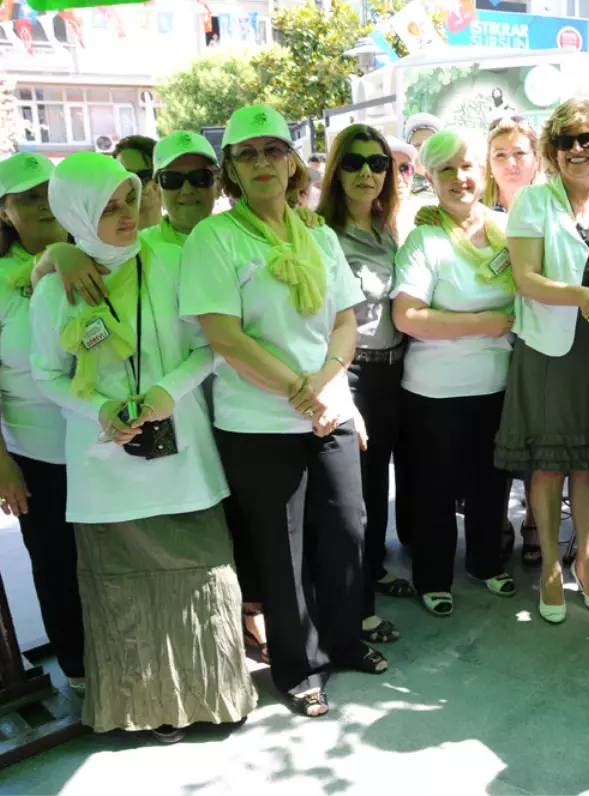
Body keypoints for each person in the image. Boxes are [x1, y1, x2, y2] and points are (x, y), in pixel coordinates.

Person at [30, 152, 256, 741]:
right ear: (76, 215)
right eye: (106, 208)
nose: (126, 215)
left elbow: (207, 347)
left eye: (128, 199)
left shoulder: (174, 262)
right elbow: (45, 374)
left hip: (181, 451)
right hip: (105, 463)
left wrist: (163, 392)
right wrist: (99, 408)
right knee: (123, 586)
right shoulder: (53, 292)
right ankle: (146, 706)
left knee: (202, 574)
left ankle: (214, 696)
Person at [179, 104, 386, 718]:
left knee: (349, 529)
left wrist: (325, 386)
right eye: (248, 155)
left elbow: (346, 320)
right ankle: (298, 668)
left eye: (274, 151)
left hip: (329, 410)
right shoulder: (215, 238)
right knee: (282, 549)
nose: (263, 163)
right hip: (260, 422)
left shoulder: (317, 234)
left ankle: (345, 640)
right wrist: (301, 392)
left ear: (293, 161)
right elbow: (225, 335)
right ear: (231, 170)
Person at [493, 98, 589, 624]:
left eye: (587, 138)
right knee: (551, 462)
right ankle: (552, 567)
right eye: (565, 141)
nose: (577, 150)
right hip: (550, 348)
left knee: (587, 460)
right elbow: (525, 279)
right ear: (552, 151)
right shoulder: (533, 202)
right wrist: (579, 294)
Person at [391, 130, 516, 617]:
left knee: (491, 485)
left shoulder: (507, 230)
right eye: (446, 169)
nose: (460, 178)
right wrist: (481, 324)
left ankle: (485, 563)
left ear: (482, 171)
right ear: (431, 177)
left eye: (467, 166)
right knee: (435, 490)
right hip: (434, 393)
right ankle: (433, 575)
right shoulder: (425, 239)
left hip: (497, 385)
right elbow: (407, 317)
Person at [316, 123, 411, 640]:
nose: (367, 174)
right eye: (353, 163)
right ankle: (354, 608)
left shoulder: (387, 228)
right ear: (336, 170)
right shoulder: (318, 232)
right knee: (348, 497)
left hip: (393, 370)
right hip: (349, 372)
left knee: (377, 486)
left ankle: (371, 572)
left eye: (378, 164)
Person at [0, 153, 83, 692]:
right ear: (5, 211)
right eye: (27, 196)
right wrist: (2, 463)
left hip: (103, 442)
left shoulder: (88, 252)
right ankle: (80, 673)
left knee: (110, 566)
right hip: (36, 454)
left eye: (48, 191)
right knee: (56, 566)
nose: (41, 202)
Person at [481, 114, 542, 563]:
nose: (510, 162)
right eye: (500, 154)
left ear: (537, 158)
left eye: (519, 152)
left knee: (540, 438)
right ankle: (494, 518)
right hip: (487, 345)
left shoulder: (551, 207)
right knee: (495, 436)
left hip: (541, 341)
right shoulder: (474, 214)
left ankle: (537, 523)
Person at [113, 135, 162, 231]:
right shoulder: (102, 240)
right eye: (126, 176)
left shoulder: (190, 239)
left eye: (145, 176)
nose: (135, 183)